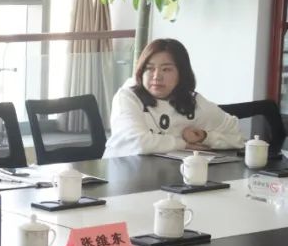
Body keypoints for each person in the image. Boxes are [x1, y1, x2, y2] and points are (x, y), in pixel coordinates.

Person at [104, 38, 243, 158]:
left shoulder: (194, 102)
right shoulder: (127, 97)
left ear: (181, 73)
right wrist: (183, 144)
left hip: (170, 174)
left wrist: (204, 136)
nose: (157, 76)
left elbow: (237, 136)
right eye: (150, 68)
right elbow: (136, 142)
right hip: (121, 173)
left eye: (166, 69)